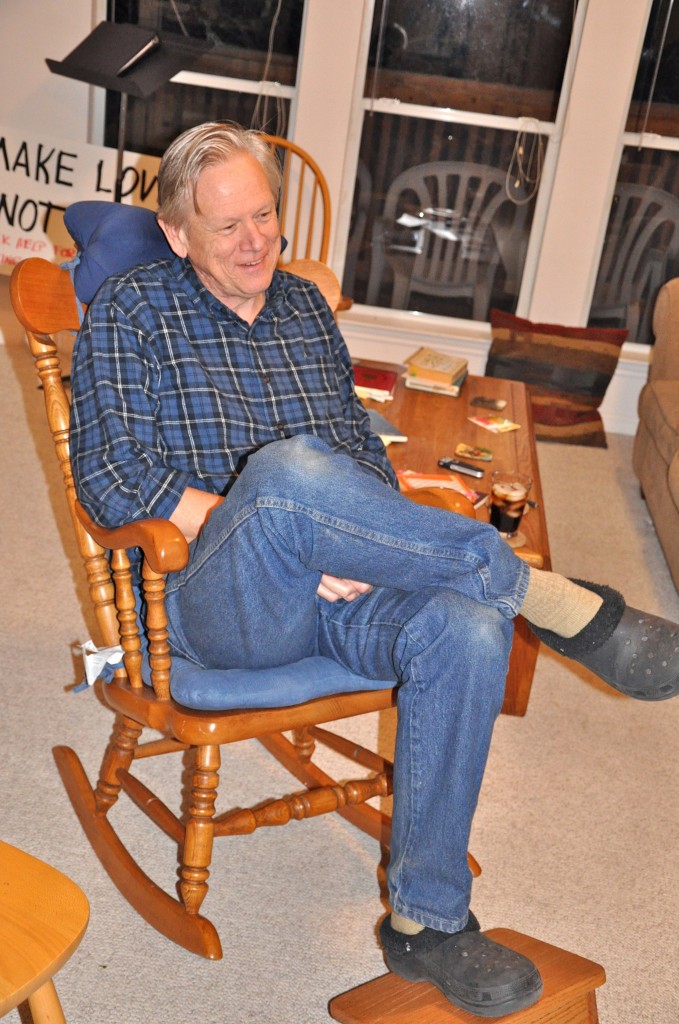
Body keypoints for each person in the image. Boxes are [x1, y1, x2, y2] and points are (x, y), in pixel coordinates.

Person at [69, 122, 679, 1019]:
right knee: (282, 473)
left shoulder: (305, 309)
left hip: (332, 584)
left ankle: (427, 923)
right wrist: (282, 531)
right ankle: (553, 604)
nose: (256, 242)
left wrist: (347, 539)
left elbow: (359, 449)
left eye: (266, 216)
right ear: (177, 235)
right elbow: (113, 478)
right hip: (213, 603)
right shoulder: (131, 311)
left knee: (465, 626)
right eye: (228, 225)